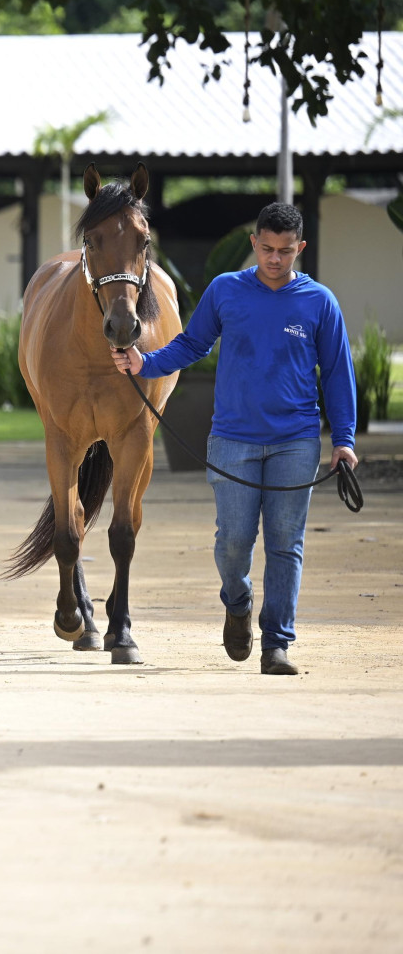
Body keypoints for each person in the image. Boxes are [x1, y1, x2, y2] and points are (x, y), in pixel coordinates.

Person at [112, 202, 358, 676]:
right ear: (254, 244)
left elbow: (338, 375)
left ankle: (277, 644)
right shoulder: (226, 291)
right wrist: (145, 364)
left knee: (286, 543)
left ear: (299, 249)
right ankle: (238, 602)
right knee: (233, 543)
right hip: (233, 440)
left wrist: (343, 440)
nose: (274, 259)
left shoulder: (319, 302)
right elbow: (191, 344)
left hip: (296, 440)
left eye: (285, 251)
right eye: (266, 248)